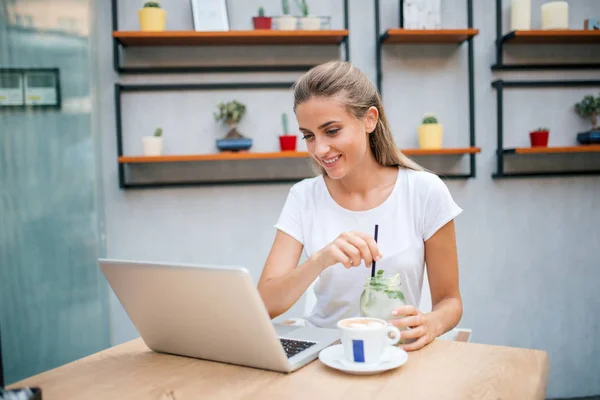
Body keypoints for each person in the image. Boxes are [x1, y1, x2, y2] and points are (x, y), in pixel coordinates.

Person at [257, 61, 463, 352]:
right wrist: (320, 260)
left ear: (369, 119)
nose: (319, 149)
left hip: (396, 353)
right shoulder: (304, 197)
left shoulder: (425, 192)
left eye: (331, 131)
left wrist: (431, 323)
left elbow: (450, 302)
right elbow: (264, 303)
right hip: (324, 355)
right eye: (309, 136)